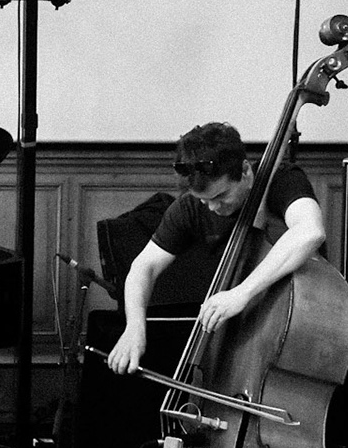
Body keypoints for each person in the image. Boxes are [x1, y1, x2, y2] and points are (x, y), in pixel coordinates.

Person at [107, 122, 326, 376]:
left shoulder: (282, 180)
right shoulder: (191, 208)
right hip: (245, 339)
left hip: (298, 326)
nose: (212, 208)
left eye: (221, 197)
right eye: (204, 200)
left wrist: (242, 293)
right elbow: (143, 267)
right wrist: (134, 327)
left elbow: (310, 231)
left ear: (245, 171)